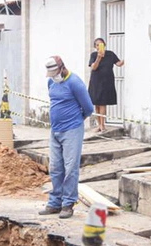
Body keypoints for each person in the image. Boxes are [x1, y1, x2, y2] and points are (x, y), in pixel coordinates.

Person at [39, 56, 94, 219]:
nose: (53, 77)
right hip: (55, 131)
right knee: (55, 167)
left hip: (72, 130)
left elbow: (89, 108)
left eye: (55, 73)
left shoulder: (75, 83)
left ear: (62, 68)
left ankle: (68, 204)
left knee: (70, 168)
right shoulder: (51, 83)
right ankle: (55, 203)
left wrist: (75, 120)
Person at [87, 38, 124, 133]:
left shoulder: (110, 54)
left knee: (103, 102)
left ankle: (103, 125)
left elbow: (119, 63)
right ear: (95, 47)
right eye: (97, 45)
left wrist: (126, 59)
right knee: (97, 102)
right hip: (96, 81)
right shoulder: (94, 55)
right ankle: (99, 125)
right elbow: (93, 67)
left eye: (101, 44)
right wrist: (99, 57)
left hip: (107, 80)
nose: (99, 46)